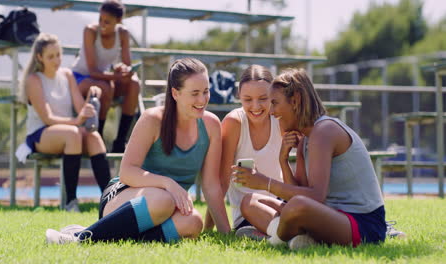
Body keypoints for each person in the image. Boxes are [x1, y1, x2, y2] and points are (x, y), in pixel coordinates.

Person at [46, 58, 231, 244]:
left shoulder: (211, 125)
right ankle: (79, 238)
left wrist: (226, 234)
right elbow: (126, 172)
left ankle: (107, 236)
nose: (202, 100)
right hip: (123, 198)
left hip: (167, 207)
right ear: (175, 93)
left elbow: (211, 186)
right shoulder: (152, 119)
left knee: (193, 222)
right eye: (195, 93)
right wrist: (167, 183)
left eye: (206, 92)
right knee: (163, 199)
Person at [233, 68, 386, 250]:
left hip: (363, 226)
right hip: (330, 216)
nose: (271, 111)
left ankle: (274, 240)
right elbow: (299, 192)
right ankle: (297, 239)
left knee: (298, 206)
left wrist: (265, 183)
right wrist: (284, 160)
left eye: (275, 103)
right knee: (250, 201)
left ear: (295, 100)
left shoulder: (324, 131)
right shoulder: (307, 137)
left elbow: (315, 197)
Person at [19, 33, 111, 212]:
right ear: (39, 57)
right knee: (73, 133)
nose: (56, 60)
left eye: (58, 55)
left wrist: (92, 96)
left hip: (69, 132)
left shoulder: (67, 74)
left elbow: (80, 108)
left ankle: (110, 201)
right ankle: (71, 202)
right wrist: (77, 121)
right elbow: (47, 118)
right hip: (40, 134)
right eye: (50, 56)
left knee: (94, 137)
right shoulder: (34, 80)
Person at [204, 65, 285, 238]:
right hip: (248, 213)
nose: (256, 106)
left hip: (280, 204)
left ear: (273, 96)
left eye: (263, 98)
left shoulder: (280, 118)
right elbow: (221, 181)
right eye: (248, 99)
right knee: (250, 203)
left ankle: (274, 235)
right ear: (239, 97)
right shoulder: (234, 122)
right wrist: (208, 230)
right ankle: (278, 234)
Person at [71, 0, 140, 153]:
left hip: (103, 79)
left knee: (134, 83)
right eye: (100, 20)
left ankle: (120, 140)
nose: (102, 24)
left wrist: (122, 69)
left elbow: (127, 66)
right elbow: (92, 71)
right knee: (105, 87)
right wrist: (116, 76)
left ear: (118, 21)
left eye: (107, 22)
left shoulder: (123, 33)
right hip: (81, 78)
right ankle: (97, 137)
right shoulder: (90, 31)